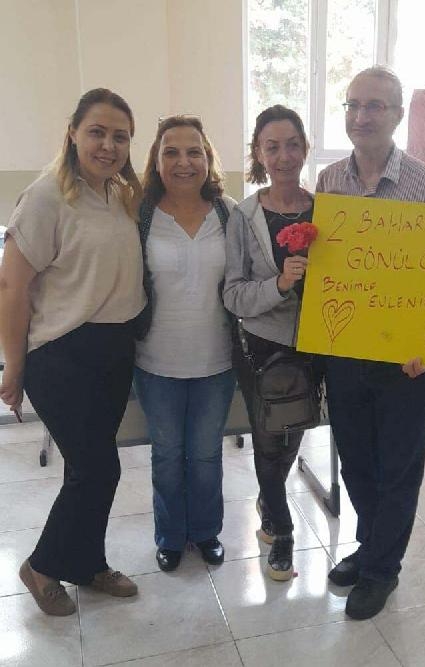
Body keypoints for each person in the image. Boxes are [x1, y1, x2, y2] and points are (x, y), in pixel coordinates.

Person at [0, 88, 146, 616]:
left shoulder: (118, 194)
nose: (108, 145)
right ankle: (42, 565)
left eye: (120, 136)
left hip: (113, 350)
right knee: (98, 469)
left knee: (86, 469)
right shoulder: (46, 196)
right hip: (62, 354)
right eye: (97, 132)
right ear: (73, 133)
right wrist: (14, 365)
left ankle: (87, 563)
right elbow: (11, 287)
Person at [316, 66, 425, 620]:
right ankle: (371, 545)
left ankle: (381, 570)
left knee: (398, 466)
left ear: (397, 115)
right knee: (356, 462)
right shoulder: (329, 181)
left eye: (374, 105)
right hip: (346, 351)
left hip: (408, 359)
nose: (361, 115)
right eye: (353, 104)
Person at [133, 116, 236, 572]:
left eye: (194, 151)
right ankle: (171, 536)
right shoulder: (140, 214)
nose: (183, 161)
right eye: (171, 152)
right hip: (155, 361)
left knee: (207, 455)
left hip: (217, 360)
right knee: (168, 456)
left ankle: (207, 531)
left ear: (207, 158)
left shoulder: (228, 212)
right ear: (156, 160)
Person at [224, 105, 315, 581]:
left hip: (316, 343)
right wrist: (279, 285)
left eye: (292, 145)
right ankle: (282, 533)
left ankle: (270, 499)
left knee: (294, 431)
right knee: (267, 439)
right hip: (262, 345)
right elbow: (233, 293)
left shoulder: (327, 210)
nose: (284, 157)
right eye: (272, 147)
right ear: (258, 154)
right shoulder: (244, 216)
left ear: (305, 148)